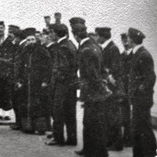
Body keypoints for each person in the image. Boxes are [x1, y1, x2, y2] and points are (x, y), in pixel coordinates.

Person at [73, 20, 108, 157]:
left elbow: (92, 74)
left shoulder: (86, 49)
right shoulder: (94, 46)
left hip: (92, 92)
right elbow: (102, 70)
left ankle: (97, 152)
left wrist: (95, 89)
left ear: (75, 35)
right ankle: (89, 150)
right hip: (95, 91)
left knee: (93, 123)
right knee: (90, 122)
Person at [45, 23, 77, 147]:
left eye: (51, 32)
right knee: (70, 112)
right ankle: (72, 138)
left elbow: (63, 68)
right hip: (71, 84)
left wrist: (56, 76)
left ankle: (58, 138)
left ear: (55, 33)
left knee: (58, 111)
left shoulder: (61, 46)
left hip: (61, 84)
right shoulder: (70, 44)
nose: (50, 35)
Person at [126, 27, 156, 157]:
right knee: (138, 128)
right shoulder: (136, 53)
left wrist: (139, 90)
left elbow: (150, 78)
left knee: (144, 128)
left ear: (132, 39)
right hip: (137, 99)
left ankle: (150, 153)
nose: (126, 40)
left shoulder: (143, 55)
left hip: (142, 100)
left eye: (128, 37)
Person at [95, 26, 124, 151]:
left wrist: (108, 75)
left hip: (112, 88)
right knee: (107, 115)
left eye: (97, 35)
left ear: (102, 36)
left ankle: (117, 144)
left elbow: (117, 68)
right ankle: (109, 141)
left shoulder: (112, 48)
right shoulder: (106, 48)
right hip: (107, 87)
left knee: (113, 116)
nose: (96, 38)